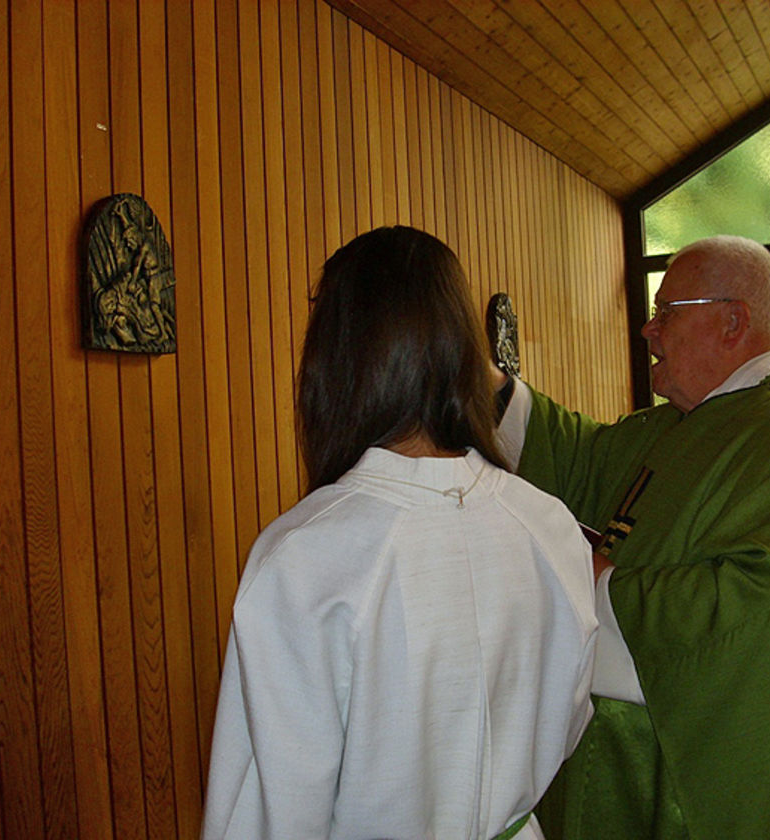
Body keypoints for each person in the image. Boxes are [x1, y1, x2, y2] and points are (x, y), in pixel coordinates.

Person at [495, 235, 770, 839]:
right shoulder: (696, 421)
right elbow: (583, 456)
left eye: (665, 313)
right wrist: (486, 386)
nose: (648, 329)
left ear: (733, 321)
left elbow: (759, 607)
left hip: (711, 782)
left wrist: (600, 586)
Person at [201, 226, 599, 840]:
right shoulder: (549, 525)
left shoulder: (307, 554)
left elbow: (264, 810)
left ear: (335, 364)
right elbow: (567, 722)